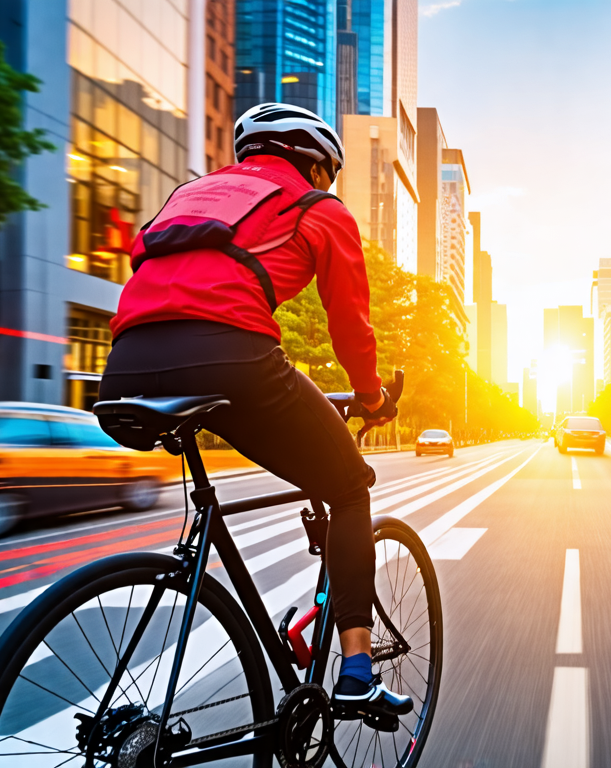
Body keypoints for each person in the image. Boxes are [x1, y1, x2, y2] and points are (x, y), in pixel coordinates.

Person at [99, 103, 411, 719]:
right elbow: (350, 325)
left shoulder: (187, 196)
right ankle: (355, 671)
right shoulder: (318, 209)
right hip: (230, 359)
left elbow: (156, 271)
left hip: (125, 365)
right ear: (316, 165)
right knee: (350, 486)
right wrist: (371, 397)